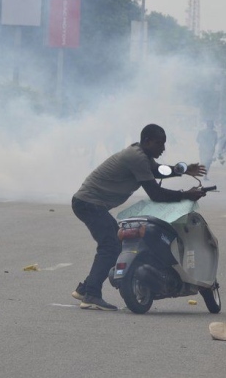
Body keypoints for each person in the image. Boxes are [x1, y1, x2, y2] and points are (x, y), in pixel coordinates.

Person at [71, 124, 207, 311]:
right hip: (89, 203)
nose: (163, 149)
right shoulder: (136, 158)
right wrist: (185, 194)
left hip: (91, 204)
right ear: (147, 141)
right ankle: (91, 294)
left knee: (113, 246)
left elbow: (159, 170)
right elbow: (156, 194)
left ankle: (86, 288)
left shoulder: (142, 155)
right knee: (110, 246)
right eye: (159, 144)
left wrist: (181, 169)